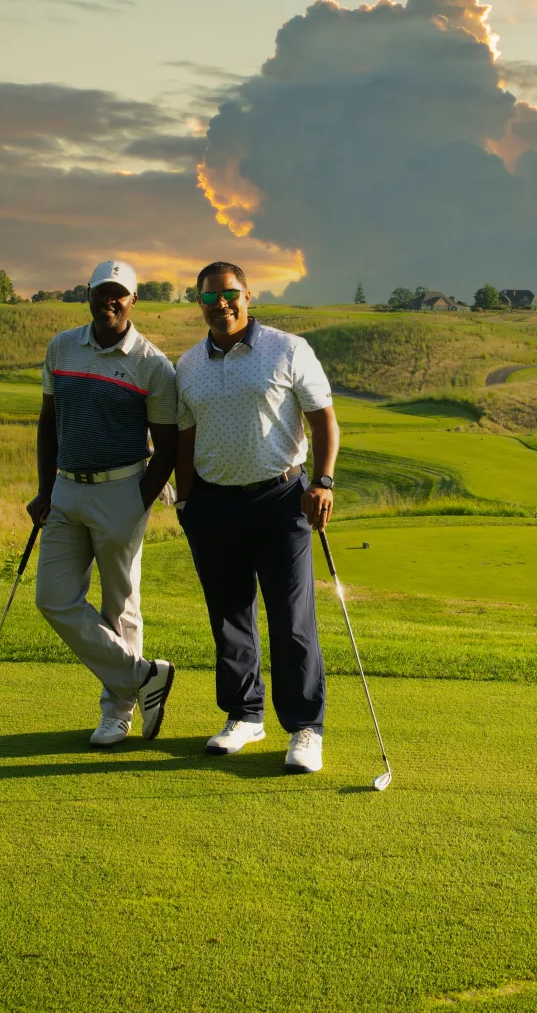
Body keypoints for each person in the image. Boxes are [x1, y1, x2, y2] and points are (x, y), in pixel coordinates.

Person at [173, 261, 339, 774]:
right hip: (213, 504)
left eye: (229, 295)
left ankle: (305, 727)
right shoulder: (188, 364)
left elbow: (323, 419)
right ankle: (245, 715)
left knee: (292, 619)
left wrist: (323, 481)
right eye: (208, 298)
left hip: (281, 499)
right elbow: (184, 435)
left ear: (248, 296)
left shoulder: (287, 349)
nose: (220, 305)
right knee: (228, 617)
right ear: (197, 302)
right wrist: (185, 500)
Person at [27, 259, 179, 749]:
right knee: (51, 597)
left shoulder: (153, 365)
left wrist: (139, 499)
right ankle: (143, 676)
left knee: (120, 605)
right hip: (67, 488)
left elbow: (168, 446)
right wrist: (45, 488)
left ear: (134, 301)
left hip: (122, 489)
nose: (109, 300)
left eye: (120, 294)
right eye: (101, 291)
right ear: (87, 294)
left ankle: (118, 712)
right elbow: (48, 423)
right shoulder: (62, 347)